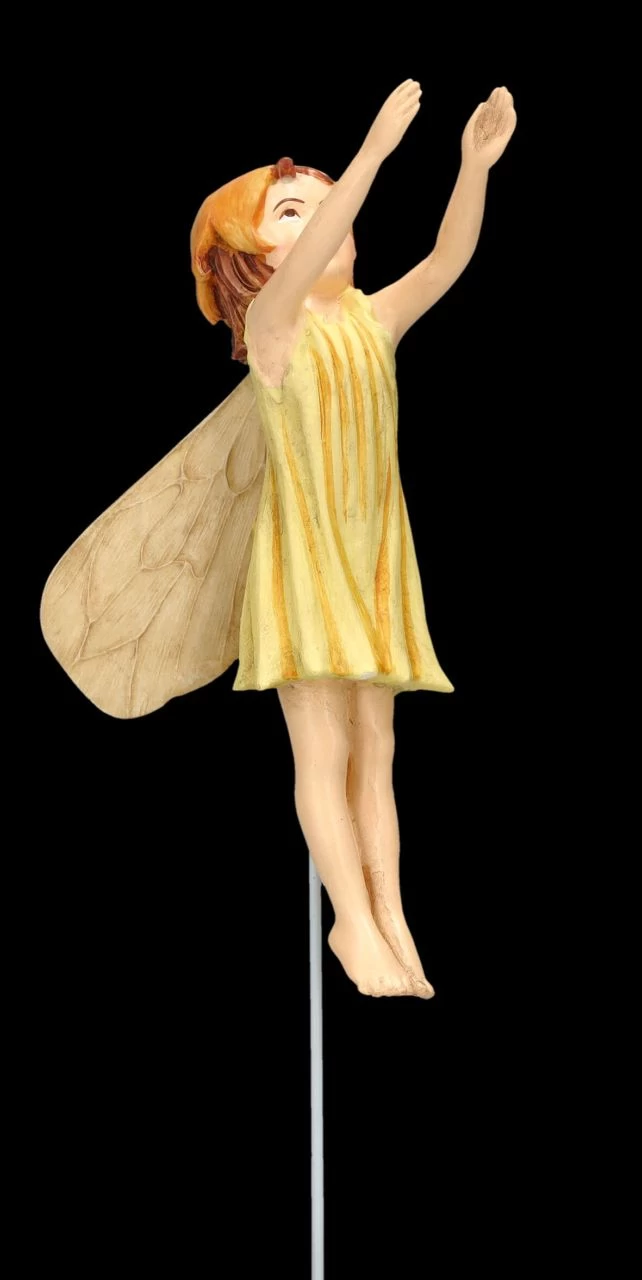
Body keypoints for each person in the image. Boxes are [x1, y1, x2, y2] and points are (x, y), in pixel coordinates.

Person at [41, 81, 516, 999]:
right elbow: (307, 269)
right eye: (293, 212)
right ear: (250, 260)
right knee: (324, 748)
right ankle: (351, 920)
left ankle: (389, 911)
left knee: (377, 747)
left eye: (328, 204)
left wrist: (473, 168)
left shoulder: (372, 322)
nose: (330, 220)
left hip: (374, 563)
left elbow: (448, 259)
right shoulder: (275, 330)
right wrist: (370, 156)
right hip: (305, 565)